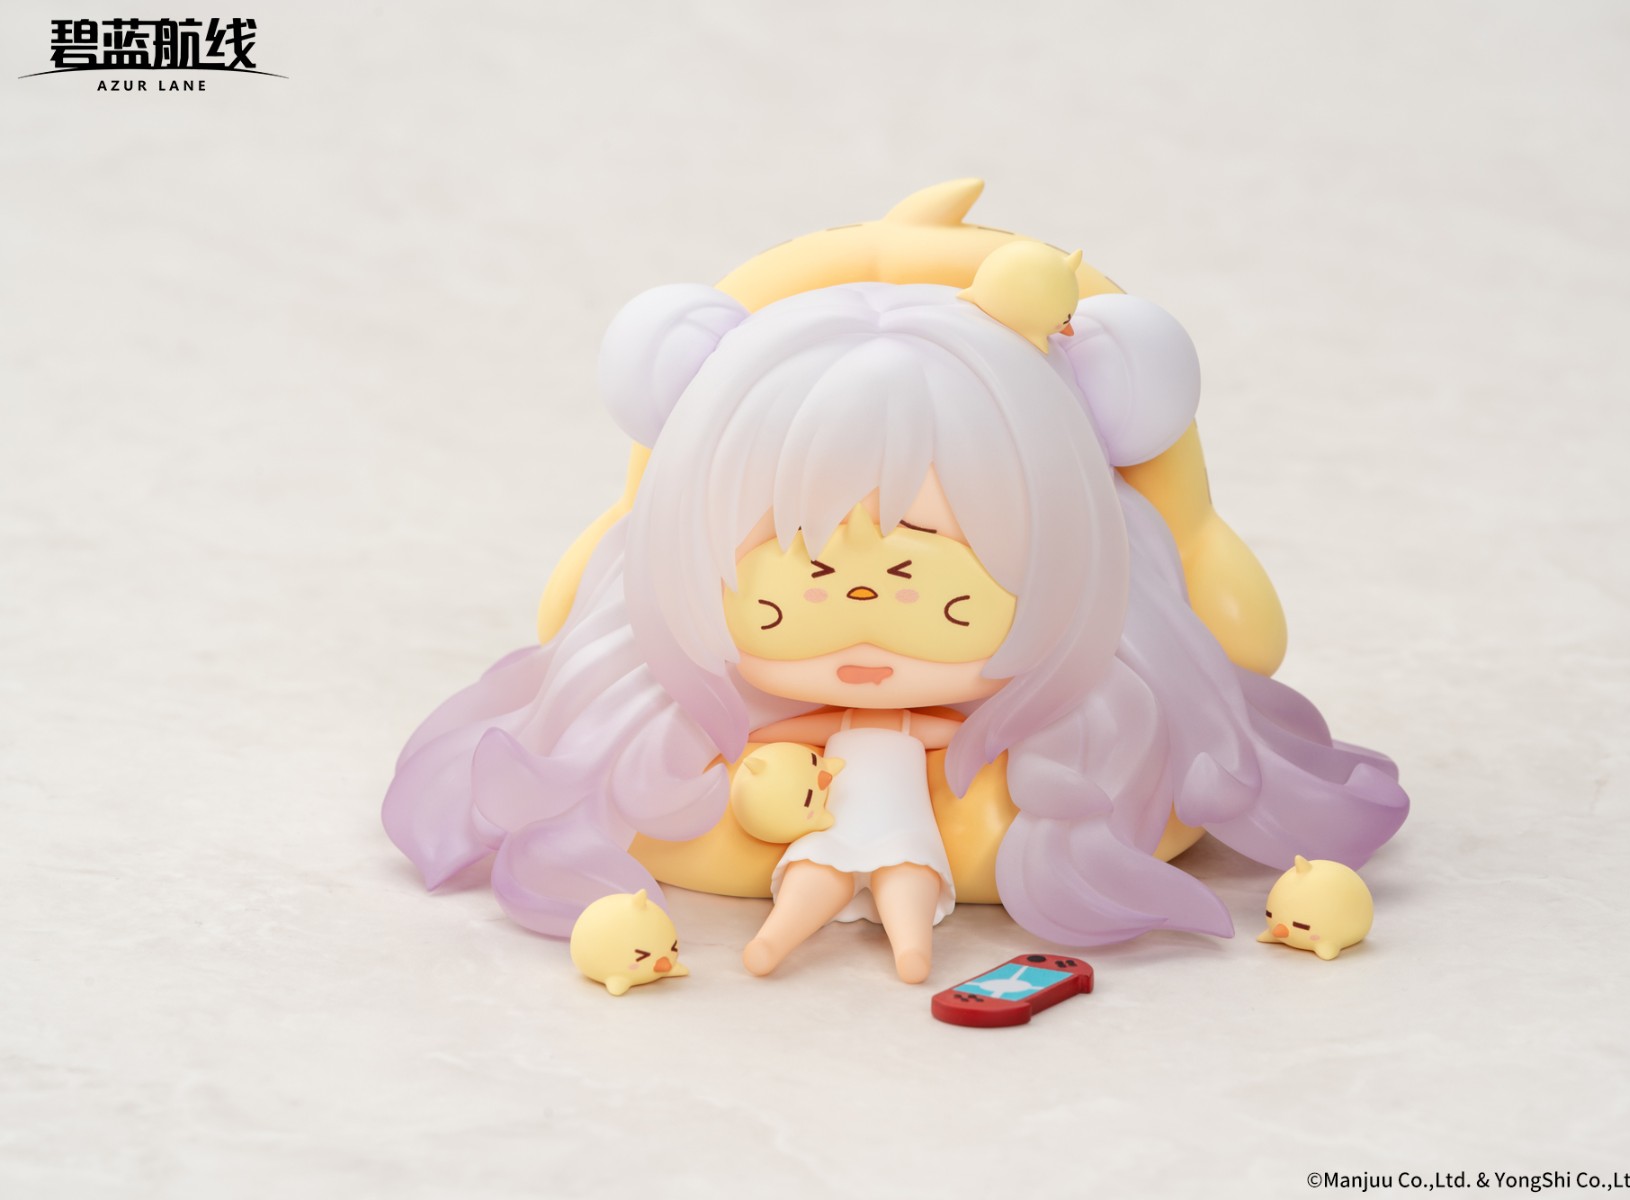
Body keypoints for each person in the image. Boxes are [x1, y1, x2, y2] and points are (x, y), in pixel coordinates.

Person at [383, 273, 1409, 982]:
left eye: (930, 574)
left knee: (899, 876)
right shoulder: (669, 691)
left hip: (918, 814)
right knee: (827, 872)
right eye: (803, 573)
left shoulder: (1093, 716)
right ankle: (788, 945)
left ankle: (900, 947)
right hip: (831, 811)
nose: (865, 612)